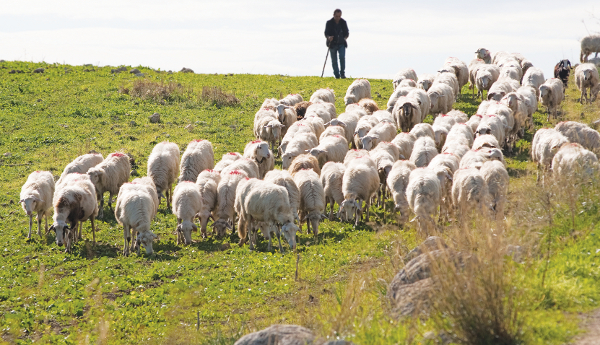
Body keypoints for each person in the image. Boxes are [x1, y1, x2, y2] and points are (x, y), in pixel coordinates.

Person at [324, 9, 349, 79]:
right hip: (332, 44)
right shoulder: (329, 23)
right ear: (333, 15)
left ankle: (342, 74)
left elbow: (347, 32)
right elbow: (326, 33)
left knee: (342, 57)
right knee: (334, 60)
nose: (338, 18)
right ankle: (337, 75)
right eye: (337, 16)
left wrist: (345, 37)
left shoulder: (343, 22)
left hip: (341, 43)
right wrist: (329, 37)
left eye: (339, 16)